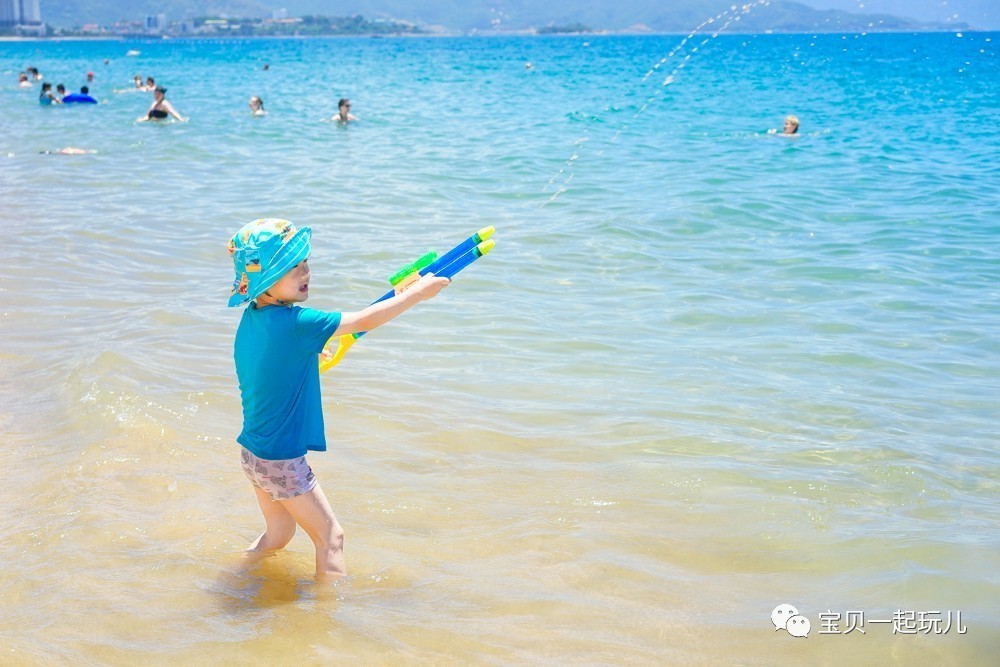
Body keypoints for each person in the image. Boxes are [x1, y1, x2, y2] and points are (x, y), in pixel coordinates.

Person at [227, 219, 449, 582]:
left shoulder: (253, 318)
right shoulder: (299, 322)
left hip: (253, 455)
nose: (305, 272)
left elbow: (266, 367)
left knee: (279, 535)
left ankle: (232, 575)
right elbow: (364, 319)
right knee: (331, 538)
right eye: (292, 267)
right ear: (266, 280)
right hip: (281, 459)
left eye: (305, 263)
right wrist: (416, 295)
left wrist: (307, 357)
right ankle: (327, 621)